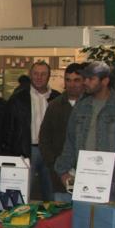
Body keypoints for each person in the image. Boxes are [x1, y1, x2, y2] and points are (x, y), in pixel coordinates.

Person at [55, 61, 115, 202]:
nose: (86, 82)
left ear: (105, 81)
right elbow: (70, 142)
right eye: (85, 78)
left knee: (111, 216)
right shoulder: (81, 107)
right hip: (84, 178)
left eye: (91, 79)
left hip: (114, 181)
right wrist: (63, 171)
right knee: (85, 216)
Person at [6, 61, 60, 201]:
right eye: (36, 73)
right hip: (26, 151)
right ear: (30, 75)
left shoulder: (58, 98)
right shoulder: (18, 99)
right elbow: (9, 128)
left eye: (43, 74)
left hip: (51, 153)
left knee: (52, 194)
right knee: (23, 194)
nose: (39, 77)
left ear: (49, 76)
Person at [39, 62, 86, 197]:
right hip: (60, 175)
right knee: (62, 208)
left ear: (84, 81)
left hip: (87, 171)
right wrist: (56, 167)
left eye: (76, 80)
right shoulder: (54, 106)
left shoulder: (91, 105)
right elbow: (44, 138)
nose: (72, 84)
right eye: (68, 80)